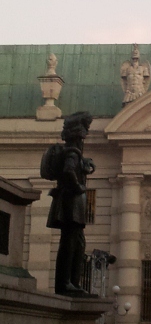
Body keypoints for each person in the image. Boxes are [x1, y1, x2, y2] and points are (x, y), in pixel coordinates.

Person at [46, 112, 95, 296]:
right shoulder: (72, 152)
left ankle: (74, 282)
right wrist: (78, 187)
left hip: (74, 203)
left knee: (79, 244)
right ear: (78, 136)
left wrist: (85, 163)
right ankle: (65, 283)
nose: (84, 138)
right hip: (71, 202)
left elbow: (73, 167)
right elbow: (68, 171)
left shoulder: (75, 154)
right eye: (83, 135)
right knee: (69, 243)